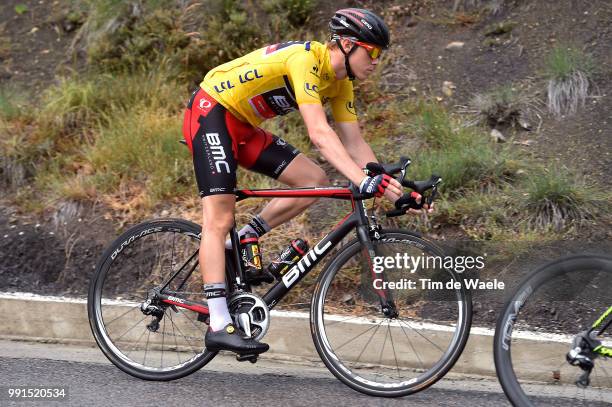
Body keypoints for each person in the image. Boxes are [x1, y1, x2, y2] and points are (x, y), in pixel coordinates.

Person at [182, 8, 404, 356]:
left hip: (241, 125)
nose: (376, 61)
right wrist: (361, 181)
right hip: (212, 111)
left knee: (314, 181)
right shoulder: (306, 60)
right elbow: (319, 133)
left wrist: (390, 185)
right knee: (219, 218)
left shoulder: (341, 82)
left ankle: (245, 237)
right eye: (372, 51)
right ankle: (218, 322)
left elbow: (354, 143)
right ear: (346, 44)